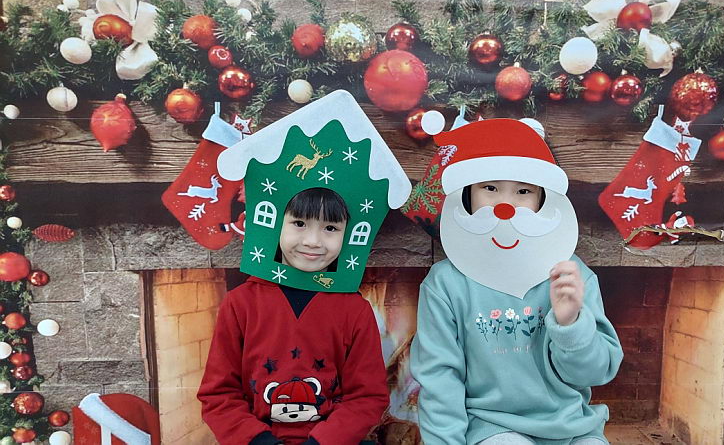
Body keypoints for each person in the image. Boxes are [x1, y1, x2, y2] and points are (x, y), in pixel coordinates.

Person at [198, 90, 412, 445]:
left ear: (347, 234)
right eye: (299, 224)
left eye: (330, 228)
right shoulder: (240, 305)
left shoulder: (354, 311)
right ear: (274, 224)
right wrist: (258, 441)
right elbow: (218, 395)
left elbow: (367, 397)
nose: (313, 241)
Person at [410, 116, 623, 445]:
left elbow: (595, 373)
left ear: (542, 200)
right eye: (490, 188)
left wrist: (570, 325)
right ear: (467, 194)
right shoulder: (445, 285)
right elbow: (439, 378)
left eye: (523, 191)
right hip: (491, 427)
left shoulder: (571, 276)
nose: (505, 206)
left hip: (572, 427)